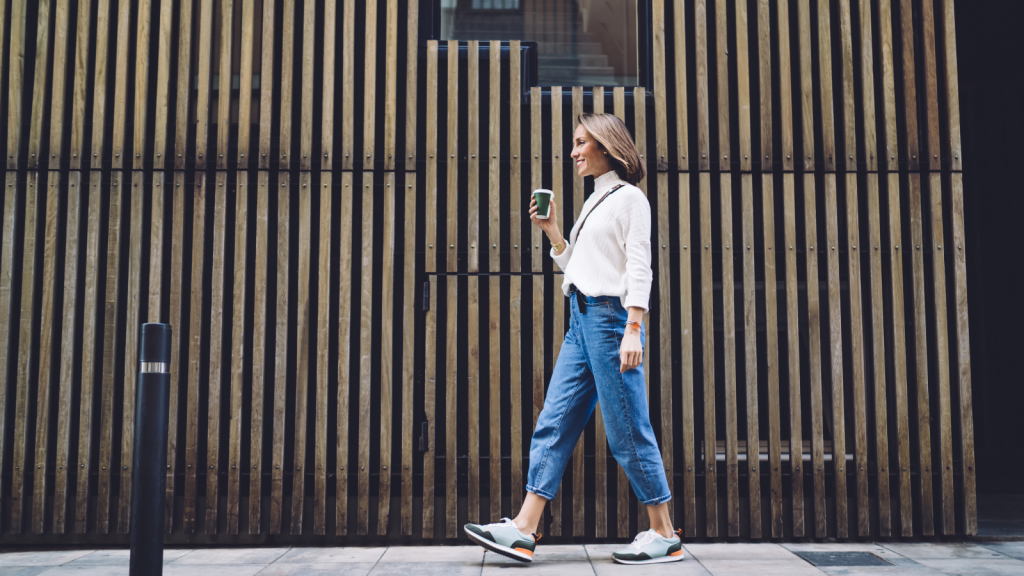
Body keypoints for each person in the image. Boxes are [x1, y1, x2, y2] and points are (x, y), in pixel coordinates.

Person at [463, 113, 684, 565]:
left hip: (610, 322)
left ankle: (664, 533)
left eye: (582, 142)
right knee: (556, 421)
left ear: (608, 146)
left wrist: (634, 327)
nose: (574, 151)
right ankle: (524, 529)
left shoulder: (630, 200)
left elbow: (639, 268)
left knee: (626, 430)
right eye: (574, 143)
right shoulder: (595, 201)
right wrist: (553, 233)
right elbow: (583, 272)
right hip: (581, 321)